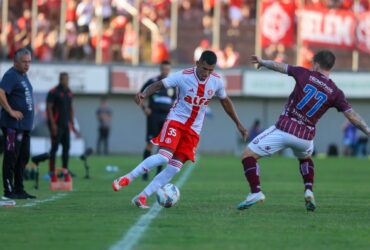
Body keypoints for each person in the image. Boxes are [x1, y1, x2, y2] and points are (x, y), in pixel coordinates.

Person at [237, 50, 370, 212]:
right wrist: (368, 130)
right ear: (331, 67)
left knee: (247, 155)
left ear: (316, 63)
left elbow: (281, 66)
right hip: (306, 138)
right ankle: (309, 190)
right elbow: (352, 115)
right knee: (305, 157)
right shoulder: (335, 92)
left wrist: (263, 62)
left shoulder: (304, 74)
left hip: (285, 128)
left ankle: (255, 192)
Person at [112, 50, 248, 208]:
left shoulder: (216, 81)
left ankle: (142, 197)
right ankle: (127, 178)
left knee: (174, 169)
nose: (207, 73)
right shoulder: (183, 76)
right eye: (204, 69)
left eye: (211, 70)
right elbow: (158, 85)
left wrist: (238, 123)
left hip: (193, 131)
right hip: (175, 121)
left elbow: (225, 101)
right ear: (198, 63)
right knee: (164, 157)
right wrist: (144, 94)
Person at [0, 48, 36, 199]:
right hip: (12, 126)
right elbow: (1, 92)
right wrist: (10, 111)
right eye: (24, 62)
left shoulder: (23, 75)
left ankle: (19, 189)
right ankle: (9, 190)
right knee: (11, 156)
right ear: (15, 62)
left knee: (23, 157)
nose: (27, 65)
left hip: (23, 126)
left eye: (29, 62)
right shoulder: (11, 75)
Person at [140, 60, 174, 181]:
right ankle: (144, 172)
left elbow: (176, 100)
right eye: (163, 68)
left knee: (162, 147)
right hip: (153, 116)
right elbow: (139, 95)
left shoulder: (172, 84)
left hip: (166, 118)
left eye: (167, 69)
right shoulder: (153, 82)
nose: (165, 71)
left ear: (169, 70)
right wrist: (144, 108)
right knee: (150, 144)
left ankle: (158, 174)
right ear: (160, 69)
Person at [46, 72, 77, 183]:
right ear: (60, 79)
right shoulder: (53, 92)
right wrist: (52, 124)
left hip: (65, 125)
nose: (67, 81)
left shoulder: (69, 92)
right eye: (65, 79)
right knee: (54, 149)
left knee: (66, 148)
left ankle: (64, 171)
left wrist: (72, 123)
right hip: (56, 125)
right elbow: (49, 108)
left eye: (68, 79)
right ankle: (51, 172)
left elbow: (70, 108)